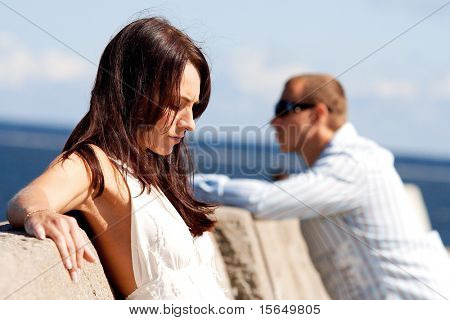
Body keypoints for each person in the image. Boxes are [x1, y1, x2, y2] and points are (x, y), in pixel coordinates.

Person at [7, 17, 227, 300]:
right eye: (176, 104)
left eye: (193, 107)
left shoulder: (154, 171)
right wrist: (39, 214)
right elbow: (28, 199)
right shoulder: (97, 164)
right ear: (132, 91)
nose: (190, 123)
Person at [194, 73, 450, 299]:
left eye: (284, 109)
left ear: (317, 114)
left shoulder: (354, 164)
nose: (274, 122)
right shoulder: (351, 161)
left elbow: (264, 202)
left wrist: (182, 183)